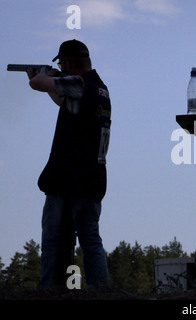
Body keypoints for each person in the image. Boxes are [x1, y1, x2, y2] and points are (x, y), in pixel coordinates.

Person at [27, 39, 111, 289]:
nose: (61, 66)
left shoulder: (79, 82)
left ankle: (49, 290)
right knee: (90, 241)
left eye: (62, 63)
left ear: (70, 64)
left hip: (69, 179)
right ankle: (102, 291)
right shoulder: (98, 88)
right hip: (91, 179)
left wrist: (43, 75)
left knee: (52, 239)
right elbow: (64, 101)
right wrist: (54, 79)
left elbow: (37, 84)